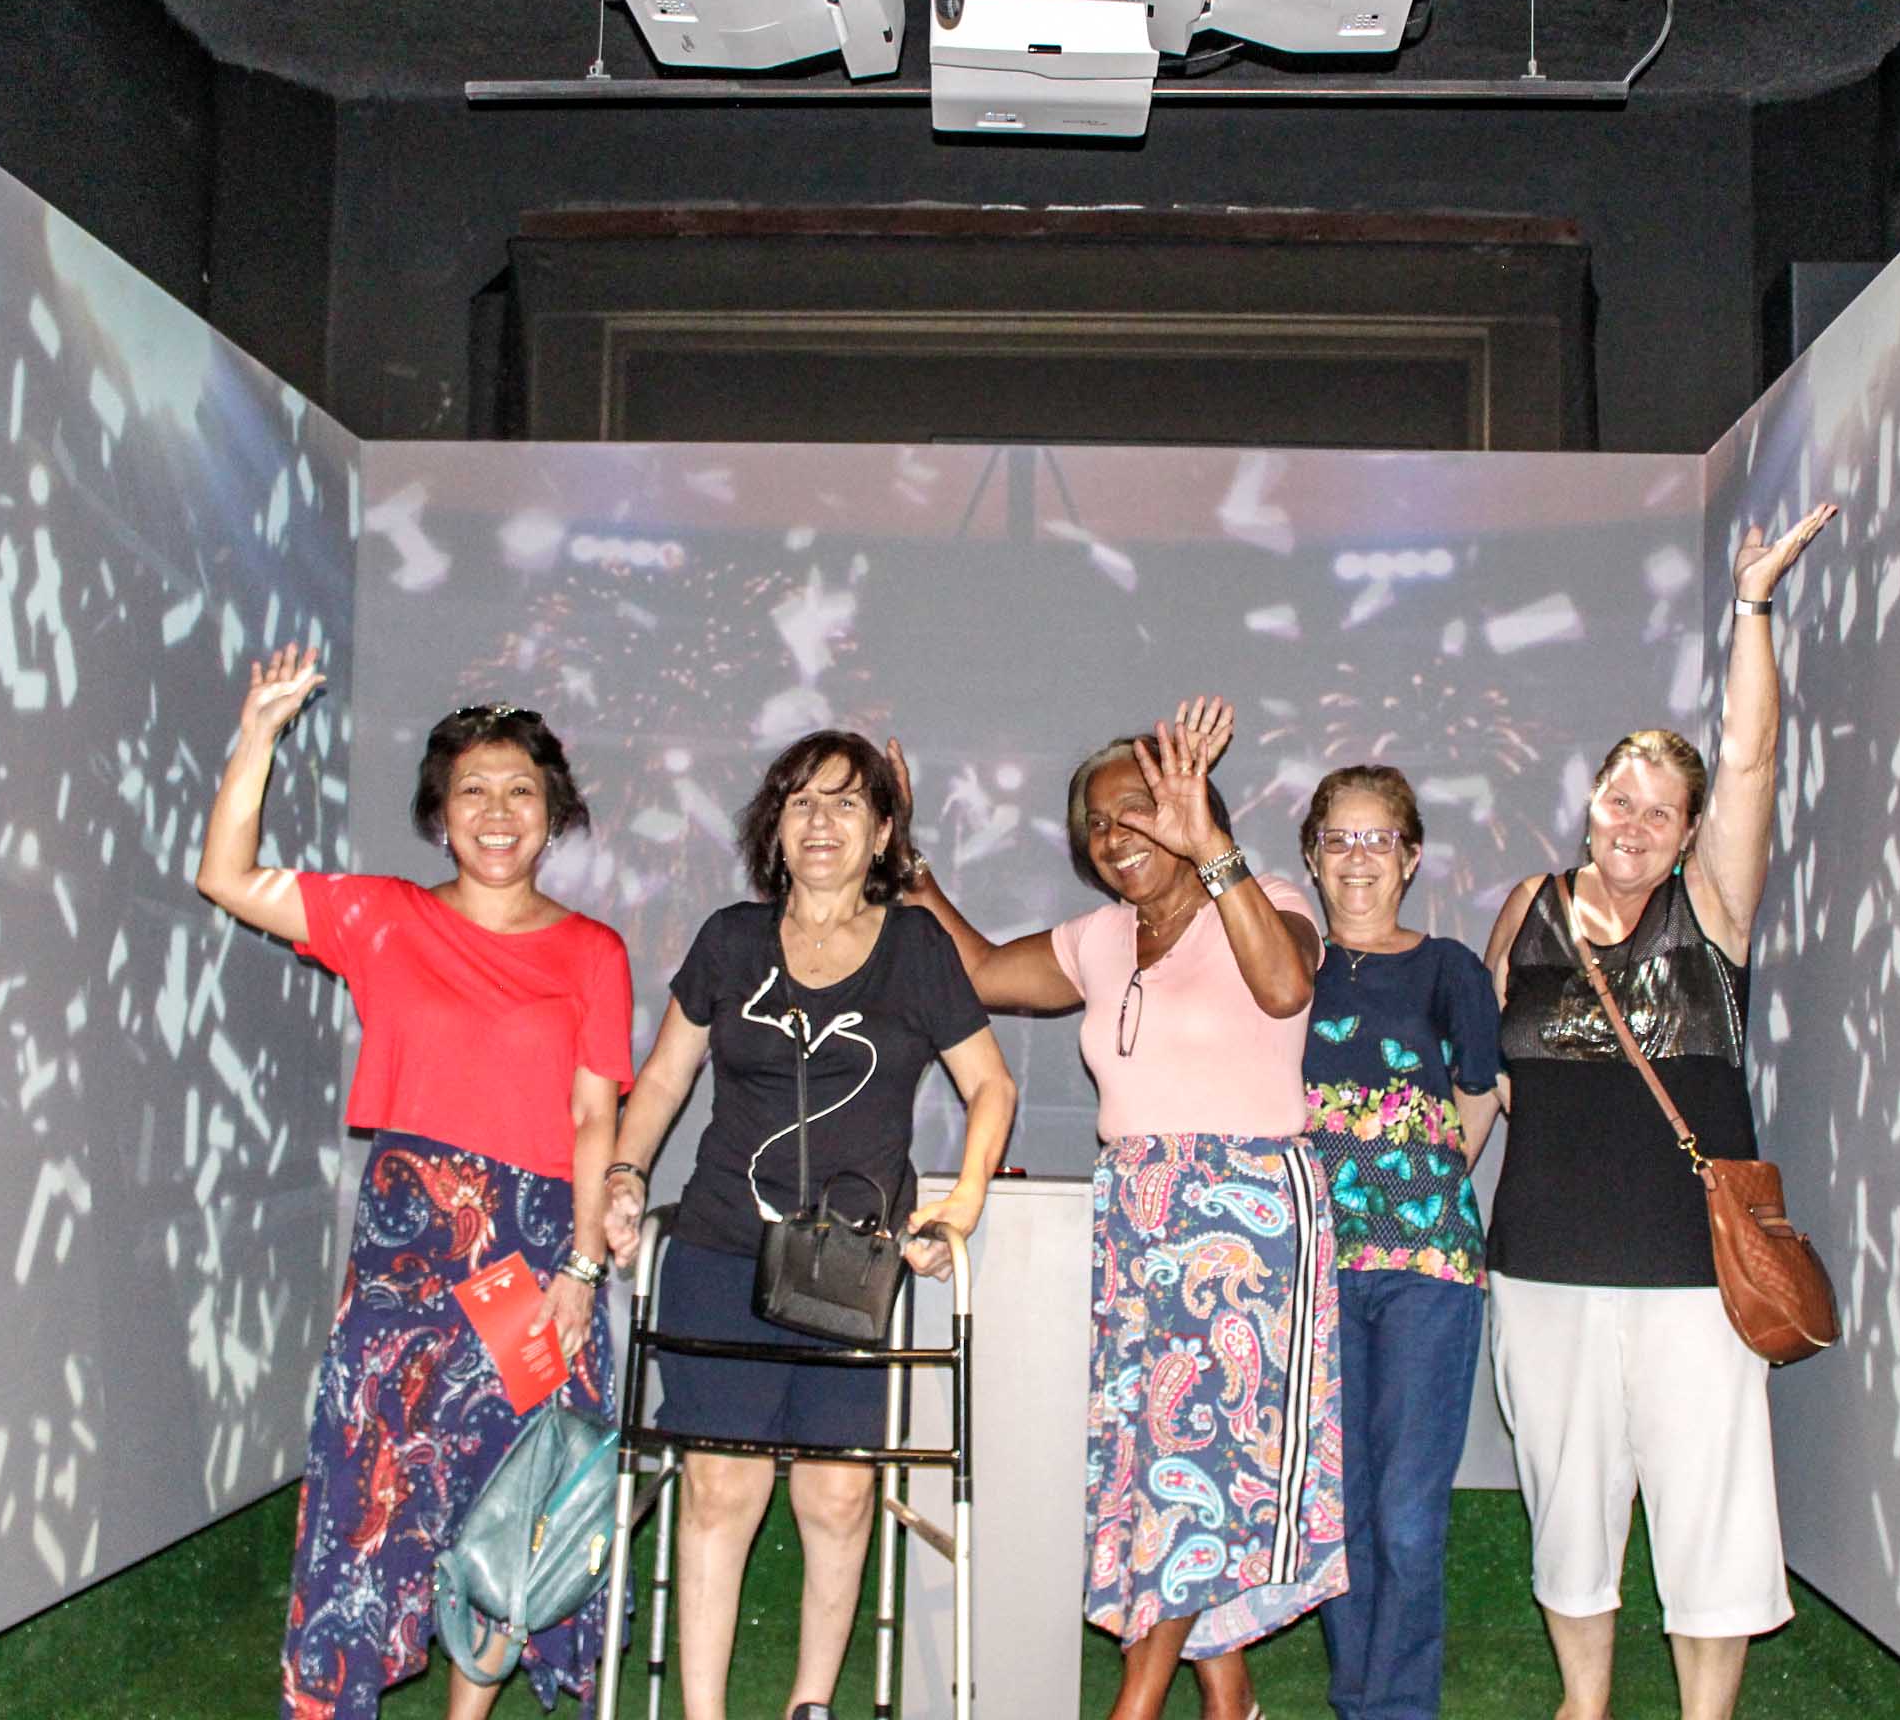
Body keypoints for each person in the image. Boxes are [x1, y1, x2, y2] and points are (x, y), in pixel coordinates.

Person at [197, 651, 636, 1720]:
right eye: (472, 790)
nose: (497, 813)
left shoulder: (593, 951)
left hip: (531, 1247)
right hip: (405, 1249)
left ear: (553, 813)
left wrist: (582, 1269)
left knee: (514, 1491)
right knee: (370, 1479)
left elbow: (594, 1118)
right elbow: (227, 876)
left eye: (520, 790)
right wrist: (258, 735)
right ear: (441, 814)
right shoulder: (384, 916)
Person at [893, 699, 1343, 1720]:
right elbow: (981, 971)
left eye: (1137, 808)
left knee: (1203, 1453)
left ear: (1191, 807)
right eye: (1095, 822)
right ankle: (1229, 1699)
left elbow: (1284, 989)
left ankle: (1135, 1704)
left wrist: (1212, 846)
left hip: (1247, 1220)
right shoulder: (1100, 938)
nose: (1113, 834)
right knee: (1158, 1463)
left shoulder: (1264, 897)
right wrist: (913, 867)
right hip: (1138, 1217)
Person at [1479, 504, 1839, 1720]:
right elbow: (1494, 1085)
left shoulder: (1711, 914)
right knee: (1567, 1506)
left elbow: (1753, 759)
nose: (1629, 824)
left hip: (1693, 1274)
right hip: (1544, 1268)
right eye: (1616, 800)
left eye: (1657, 812)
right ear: (1589, 801)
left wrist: (1752, 605)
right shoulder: (1528, 907)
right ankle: (1583, 1705)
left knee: (1711, 1513)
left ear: (1688, 834)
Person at [600, 730, 1015, 1720]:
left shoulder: (917, 948)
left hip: (849, 1264)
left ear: (883, 834)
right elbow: (663, 1078)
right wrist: (622, 1171)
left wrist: (961, 1204)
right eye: (800, 802)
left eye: (846, 803)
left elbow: (991, 1086)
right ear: (774, 827)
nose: (821, 821)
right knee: (719, 1489)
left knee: (837, 1495)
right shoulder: (729, 941)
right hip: (718, 1251)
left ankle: (811, 1705)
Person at [1296, 766, 1499, 1720]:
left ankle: (1398, 1706)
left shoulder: (1450, 968)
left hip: (1428, 1270)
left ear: (1411, 858)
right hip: (1315, 1273)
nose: (1358, 857)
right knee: (1340, 1507)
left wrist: (1415, 1190)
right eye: (1339, 838)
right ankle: (1358, 1699)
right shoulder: (1284, 970)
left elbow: (1478, 1095)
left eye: (1379, 838)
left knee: (1409, 1517)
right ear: (1312, 858)